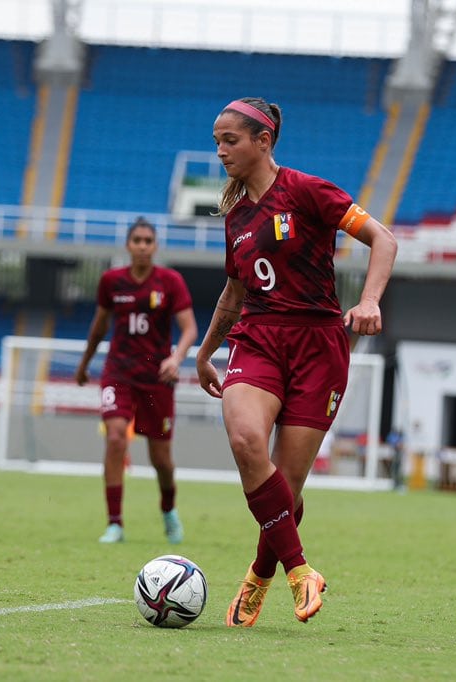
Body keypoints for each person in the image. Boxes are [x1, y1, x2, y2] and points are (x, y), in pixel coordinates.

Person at [195, 97, 397, 626]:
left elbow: (384, 240)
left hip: (319, 347)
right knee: (244, 442)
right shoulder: (236, 216)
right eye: (216, 141)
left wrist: (370, 300)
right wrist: (204, 352)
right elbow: (234, 293)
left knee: (286, 484)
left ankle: (260, 574)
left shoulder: (308, 191)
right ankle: (300, 570)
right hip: (259, 339)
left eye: (229, 140)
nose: (220, 151)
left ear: (264, 142)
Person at [75, 217, 198, 545]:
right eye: (137, 240)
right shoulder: (111, 282)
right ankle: (115, 523)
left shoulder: (170, 282)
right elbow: (100, 326)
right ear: (128, 245)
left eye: (148, 240)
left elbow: (189, 328)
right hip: (119, 374)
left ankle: (169, 510)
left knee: (162, 460)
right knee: (116, 439)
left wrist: (176, 358)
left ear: (155, 246)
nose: (142, 246)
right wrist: (85, 363)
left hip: (157, 379)